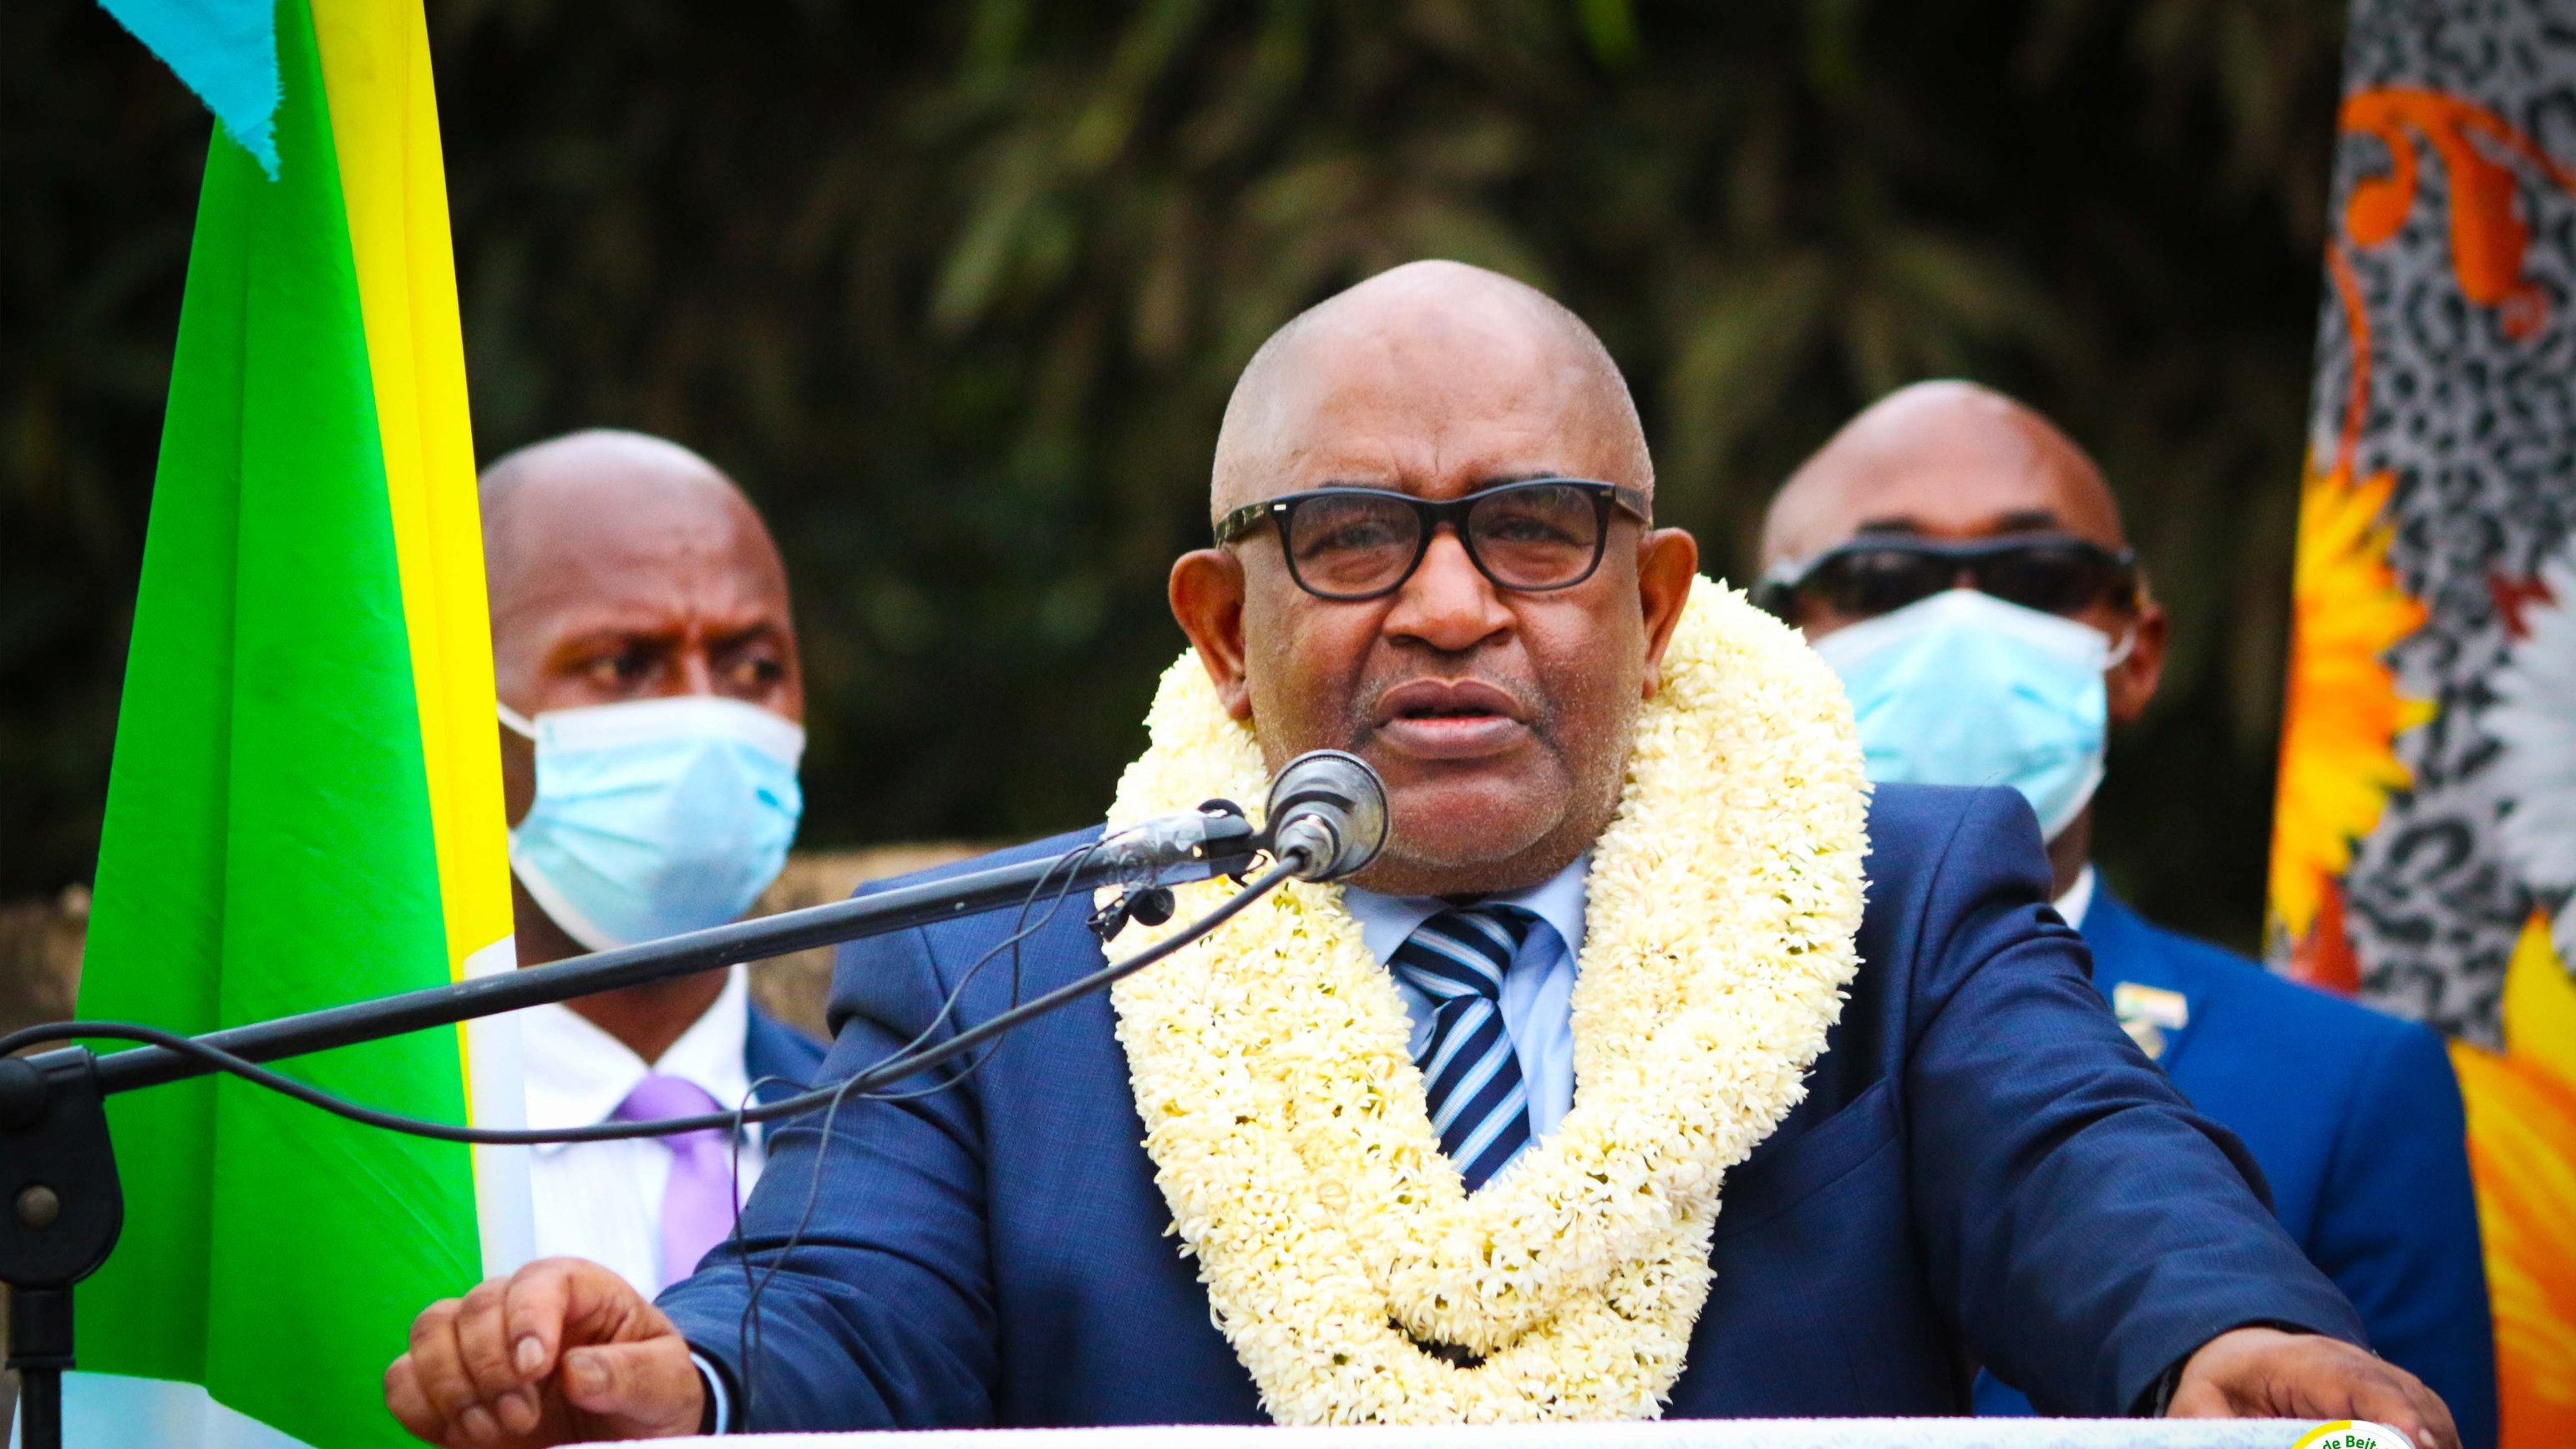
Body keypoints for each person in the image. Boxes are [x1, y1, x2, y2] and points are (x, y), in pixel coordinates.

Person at [387, 266, 2457, 1447]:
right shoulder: (1011, 961)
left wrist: (2213, 1333)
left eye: (1534, 527)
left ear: (1651, 603)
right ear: (1222, 624)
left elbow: (2080, 1159)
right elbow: (842, 1304)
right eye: (1355, 537)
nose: (1452, 606)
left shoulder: (1900, 896)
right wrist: (687, 1378)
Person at [1757, 380, 2496, 1446]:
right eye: (1880, 579)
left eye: (2039, 576)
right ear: (1767, 644)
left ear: (2136, 651)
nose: (1966, 622)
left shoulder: (2353, 1083)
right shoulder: (1617, 1033)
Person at [480, 430, 827, 1300]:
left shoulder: (893, 1134)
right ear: (455, 710)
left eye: (752, 665)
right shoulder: (358, 1159)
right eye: (624, 664)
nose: (705, 719)